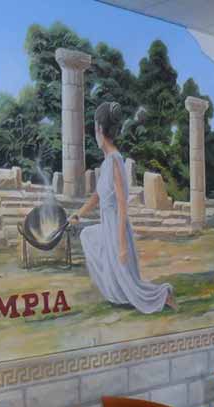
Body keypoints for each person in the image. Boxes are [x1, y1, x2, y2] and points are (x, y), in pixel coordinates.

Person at [69, 102, 177, 313]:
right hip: (108, 225)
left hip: (117, 227)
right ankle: (121, 295)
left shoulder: (116, 161)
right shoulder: (107, 162)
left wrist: (122, 244)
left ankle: (163, 296)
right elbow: (98, 195)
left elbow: (121, 204)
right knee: (87, 235)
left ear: (99, 129)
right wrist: (78, 214)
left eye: (95, 128)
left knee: (132, 284)